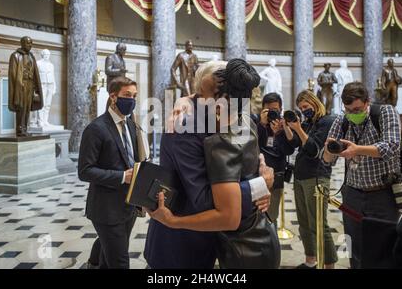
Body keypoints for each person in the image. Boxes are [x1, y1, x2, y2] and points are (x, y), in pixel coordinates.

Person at [145, 60, 276, 269]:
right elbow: (205, 200)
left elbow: (245, 163)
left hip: (221, 238)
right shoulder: (184, 128)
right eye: (211, 90)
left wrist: (261, 176)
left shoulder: (238, 120)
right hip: (182, 243)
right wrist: (259, 186)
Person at [323, 81, 401, 269]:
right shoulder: (342, 120)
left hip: (382, 193)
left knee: (383, 247)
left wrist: (357, 150)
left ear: (367, 102)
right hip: (352, 195)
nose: (353, 114)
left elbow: (391, 146)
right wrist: (328, 150)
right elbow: (326, 160)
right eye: (349, 110)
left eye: (357, 109)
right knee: (354, 248)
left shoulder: (384, 112)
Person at [78, 77, 143, 269]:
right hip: (106, 209)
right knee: (120, 262)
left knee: (109, 258)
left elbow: (133, 159)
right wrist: (123, 177)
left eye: (134, 96)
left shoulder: (131, 125)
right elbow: (85, 171)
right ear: (113, 97)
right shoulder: (96, 129)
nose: (131, 100)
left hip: (129, 205)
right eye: (127, 95)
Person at [286, 90, 338, 269]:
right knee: (304, 224)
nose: (304, 110)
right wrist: (287, 127)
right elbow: (294, 144)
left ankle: (328, 265)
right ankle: (310, 261)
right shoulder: (309, 123)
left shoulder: (327, 122)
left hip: (316, 177)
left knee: (319, 224)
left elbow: (314, 150)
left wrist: (299, 129)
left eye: (306, 107)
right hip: (300, 177)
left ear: (315, 103)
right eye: (301, 108)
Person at [253, 93, 295, 227]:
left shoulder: (285, 125)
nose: (272, 114)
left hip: (277, 175)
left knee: (271, 216)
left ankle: (271, 244)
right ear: (263, 109)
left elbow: (289, 150)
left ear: (281, 109)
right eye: (269, 110)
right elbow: (252, 145)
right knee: (256, 215)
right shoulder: (256, 123)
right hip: (257, 176)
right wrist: (261, 125)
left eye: (275, 110)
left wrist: (279, 133)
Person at [8, 36, 44, 136]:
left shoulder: (32, 56)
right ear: (22, 43)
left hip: (30, 85)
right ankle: (19, 130)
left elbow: (35, 74)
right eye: (28, 43)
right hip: (21, 85)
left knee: (27, 108)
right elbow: (13, 74)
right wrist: (19, 87)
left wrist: (36, 88)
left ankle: (25, 128)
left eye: (31, 43)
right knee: (21, 107)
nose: (30, 45)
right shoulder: (15, 56)